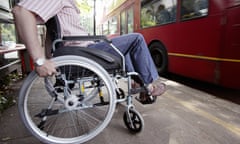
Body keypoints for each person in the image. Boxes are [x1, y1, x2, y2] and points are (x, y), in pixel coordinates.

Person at [12, 0, 166, 103]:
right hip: (84, 52)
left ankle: (137, 83)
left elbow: (50, 35)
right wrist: (40, 60)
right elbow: (20, 11)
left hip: (81, 50)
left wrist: (50, 57)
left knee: (123, 47)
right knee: (136, 39)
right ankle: (149, 84)